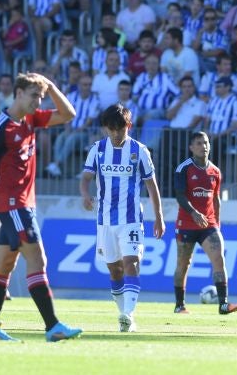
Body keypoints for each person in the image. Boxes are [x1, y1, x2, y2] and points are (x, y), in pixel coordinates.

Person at [0, 73, 82, 342]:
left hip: (22, 204)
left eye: (41, 97)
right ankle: (52, 325)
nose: (38, 101)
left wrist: (51, 86)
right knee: (37, 259)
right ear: (18, 94)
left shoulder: (31, 119)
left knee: (4, 264)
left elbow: (69, 115)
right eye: (34, 96)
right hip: (13, 205)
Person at [79, 104, 165, 332]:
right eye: (112, 129)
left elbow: (152, 185)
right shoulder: (97, 149)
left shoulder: (140, 150)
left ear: (129, 126)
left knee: (131, 263)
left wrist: (159, 216)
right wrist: (85, 195)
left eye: (121, 128)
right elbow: (86, 178)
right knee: (115, 269)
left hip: (131, 219)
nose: (116, 134)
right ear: (105, 128)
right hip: (105, 220)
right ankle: (124, 317)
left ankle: (129, 314)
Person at [172, 131, 237, 315]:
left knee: (219, 259)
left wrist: (217, 223)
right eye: (199, 143)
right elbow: (180, 196)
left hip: (208, 225)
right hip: (186, 223)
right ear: (191, 147)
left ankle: (223, 304)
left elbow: (216, 198)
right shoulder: (183, 168)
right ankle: (179, 305)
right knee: (183, 264)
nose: (203, 146)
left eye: (206, 143)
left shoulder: (215, 171)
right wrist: (194, 213)